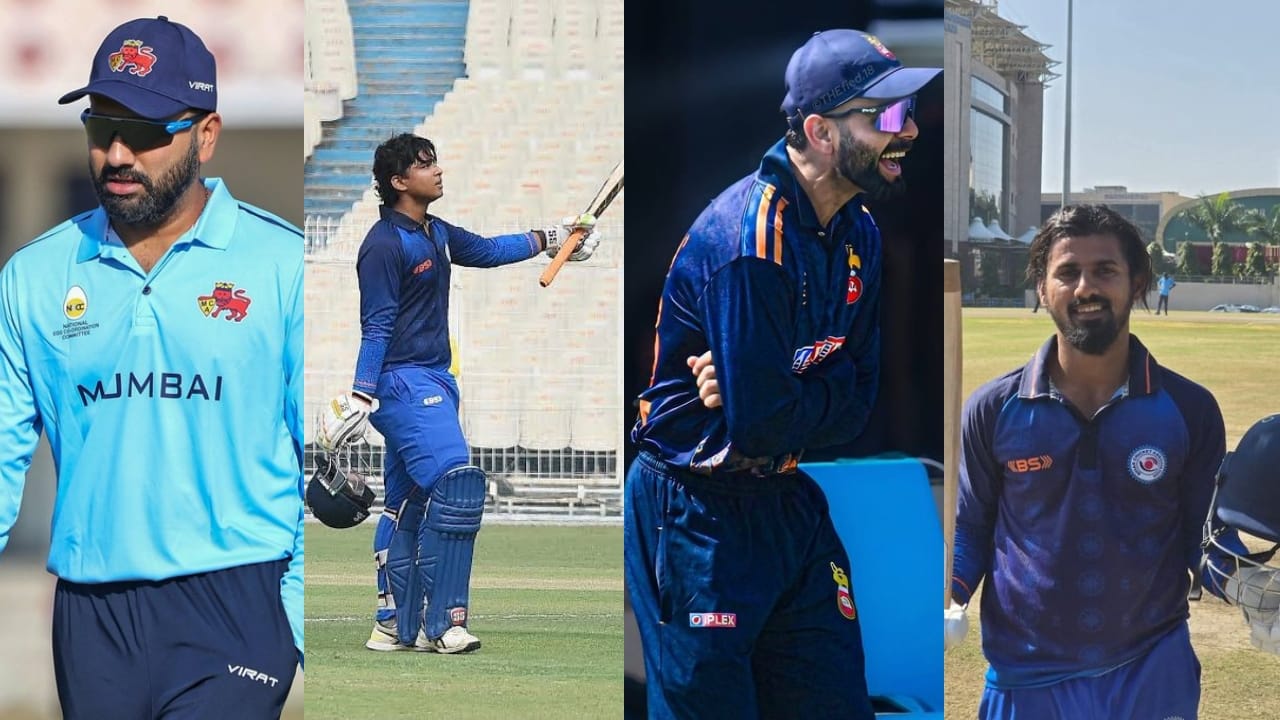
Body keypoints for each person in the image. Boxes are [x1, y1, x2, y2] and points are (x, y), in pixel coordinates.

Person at [624, 29, 939, 718]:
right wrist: (780, 396)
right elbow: (763, 424)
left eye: (909, 111)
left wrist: (766, 385)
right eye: (888, 114)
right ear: (821, 132)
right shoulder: (751, 240)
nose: (910, 130)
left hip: (788, 502)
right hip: (695, 513)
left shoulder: (860, 232)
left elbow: (858, 406)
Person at [0, 16, 303, 718]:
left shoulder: (283, 265)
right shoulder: (34, 276)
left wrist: (289, 621)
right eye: (101, 128)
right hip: (91, 614)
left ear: (206, 134)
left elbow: (318, 452)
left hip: (236, 599)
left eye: (141, 132)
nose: (116, 154)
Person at [946, 205, 1250, 719]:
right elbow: (971, 527)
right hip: (1026, 675)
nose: (1085, 287)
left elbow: (1206, 539)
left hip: (1151, 668)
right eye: (1067, 272)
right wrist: (946, 596)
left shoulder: (1188, 409)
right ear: (1042, 289)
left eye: (1105, 270)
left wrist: (1252, 588)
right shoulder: (994, 409)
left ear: (1137, 284)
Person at [317, 132, 600, 654]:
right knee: (457, 486)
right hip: (402, 382)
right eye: (426, 165)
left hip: (435, 381)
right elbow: (376, 325)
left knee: (407, 502)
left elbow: (490, 250)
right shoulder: (383, 245)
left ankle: (393, 625)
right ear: (399, 181)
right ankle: (445, 623)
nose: (438, 170)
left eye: (436, 161)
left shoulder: (437, 232)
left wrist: (554, 237)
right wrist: (360, 393)